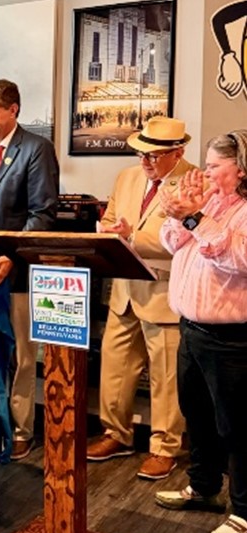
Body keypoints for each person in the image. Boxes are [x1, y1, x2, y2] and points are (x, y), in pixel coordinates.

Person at [87, 117, 194, 480]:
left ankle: (165, 448)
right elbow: (112, 218)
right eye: (140, 153)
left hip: (164, 293)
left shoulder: (196, 182)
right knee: (114, 367)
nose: (144, 161)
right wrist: (111, 230)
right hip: (124, 290)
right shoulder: (127, 177)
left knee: (167, 377)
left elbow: (185, 241)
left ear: (177, 152)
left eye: (153, 155)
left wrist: (131, 238)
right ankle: (115, 434)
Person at [154, 130, 247, 533]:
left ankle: (245, 512)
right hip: (192, 329)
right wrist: (178, 212)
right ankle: (204, 486)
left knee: (238, 427)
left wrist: (195, 218)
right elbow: (172, 244)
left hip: (232, 339)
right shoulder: (207, 203)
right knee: (198, 416)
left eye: (213, 165)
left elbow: (237, 260)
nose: (204, 172)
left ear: (240, 170)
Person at [0, 79, 60, 461]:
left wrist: (15, 255)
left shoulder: (36, 150)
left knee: (21, 356)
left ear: (13, 110)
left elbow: (43, 214)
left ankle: (21, 429)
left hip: (15, 271)